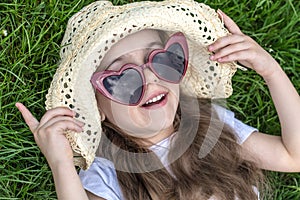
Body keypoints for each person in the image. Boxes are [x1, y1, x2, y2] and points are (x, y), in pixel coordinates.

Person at [16, 0, 300, 199]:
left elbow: (294, 156)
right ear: (96, 109)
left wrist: (270, 70)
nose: (151, 78)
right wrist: (61, 164)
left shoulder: (214, 128)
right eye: (123, 77)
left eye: (161, 59)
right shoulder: (108, 176)